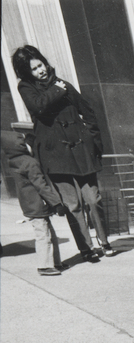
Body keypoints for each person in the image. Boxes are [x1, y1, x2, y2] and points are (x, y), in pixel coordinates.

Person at [12, 45, 113, 261]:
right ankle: (86, 249)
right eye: (34, 69)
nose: (41, 70)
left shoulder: (63, 84)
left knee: (93, 199)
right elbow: (38, 106)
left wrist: (93, 142)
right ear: (26, 72)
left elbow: (89, 112)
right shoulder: (26, 88)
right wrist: (57, 90)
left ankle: (104, 241)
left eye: (41, 65)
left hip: (81, 149)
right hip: (55, 154)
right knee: (72, 205)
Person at [0, 128, 67, 275]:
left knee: (47, 234)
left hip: (29, 204)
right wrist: (56, 203)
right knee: (44, 235)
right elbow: (41, 185)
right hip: (38, 205)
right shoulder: (30, 162)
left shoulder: (13, 161)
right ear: (21, 146)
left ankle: (55, 263)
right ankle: (44, 266)